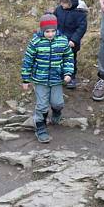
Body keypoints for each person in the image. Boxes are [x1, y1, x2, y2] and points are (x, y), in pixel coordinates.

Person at [20, 13, 74, 143]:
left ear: (56, 30)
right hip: (40, 80)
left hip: (56, 79)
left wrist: (67, 73)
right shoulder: (36, 42)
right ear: (42, 30)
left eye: (53, 31)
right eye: (47, 31)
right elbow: (28, 60)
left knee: (58, 102)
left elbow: (68, 57)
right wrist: (25, 79)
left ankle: (56, 113)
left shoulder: (62, 40)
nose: (50, 34)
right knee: (42, 105)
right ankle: (41, 127)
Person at [53, 0, 88, 89]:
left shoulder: (79, 14)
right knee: (57, 57)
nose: (61, 4)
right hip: (58, 39)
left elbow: (81, 28)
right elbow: (54, 19)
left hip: (71, 43)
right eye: (61, 1)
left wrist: (74, 39)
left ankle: (71, 77)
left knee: (70, 59)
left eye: (64, 2)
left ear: (71, 2)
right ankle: (58, 74)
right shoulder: (59, 10)